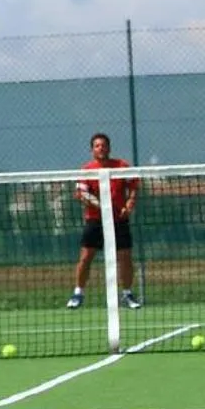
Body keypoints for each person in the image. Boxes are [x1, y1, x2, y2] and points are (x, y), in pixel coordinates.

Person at [69, 131, 143, 310]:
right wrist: (101, 206)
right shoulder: (87, 170)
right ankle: (78, 293)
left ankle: (127, 294)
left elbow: (133, 186)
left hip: (119, 220)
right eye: (97, 146)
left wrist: (130, 203)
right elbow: (81, 193)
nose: (100, 148)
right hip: (95, 221)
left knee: (125, 257)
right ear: (92, 150)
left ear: (109, 148)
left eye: (103, 145)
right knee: (86, 257)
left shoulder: (121, 166)